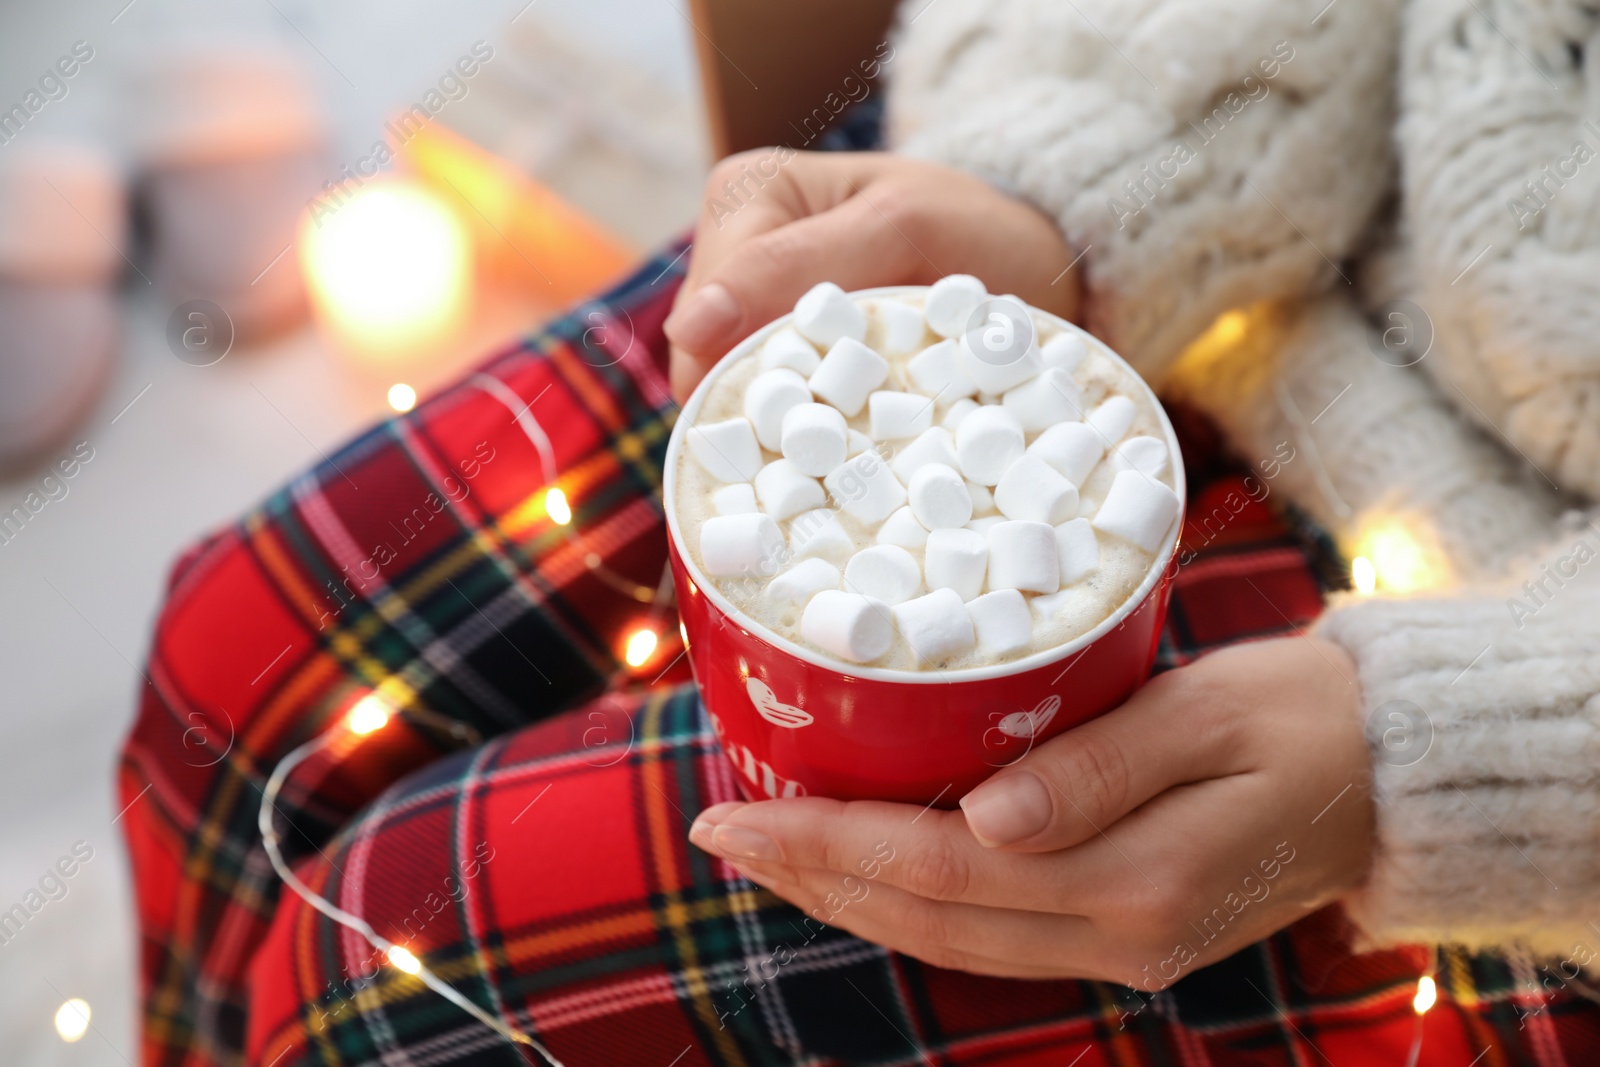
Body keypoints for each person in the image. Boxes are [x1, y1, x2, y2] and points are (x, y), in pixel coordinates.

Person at [123, 1, 1600, 1064]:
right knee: (236, 650)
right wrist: (1086, 179)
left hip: (1511, 725)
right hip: (1144, 269)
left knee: (378, 988)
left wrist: (1491, 761)